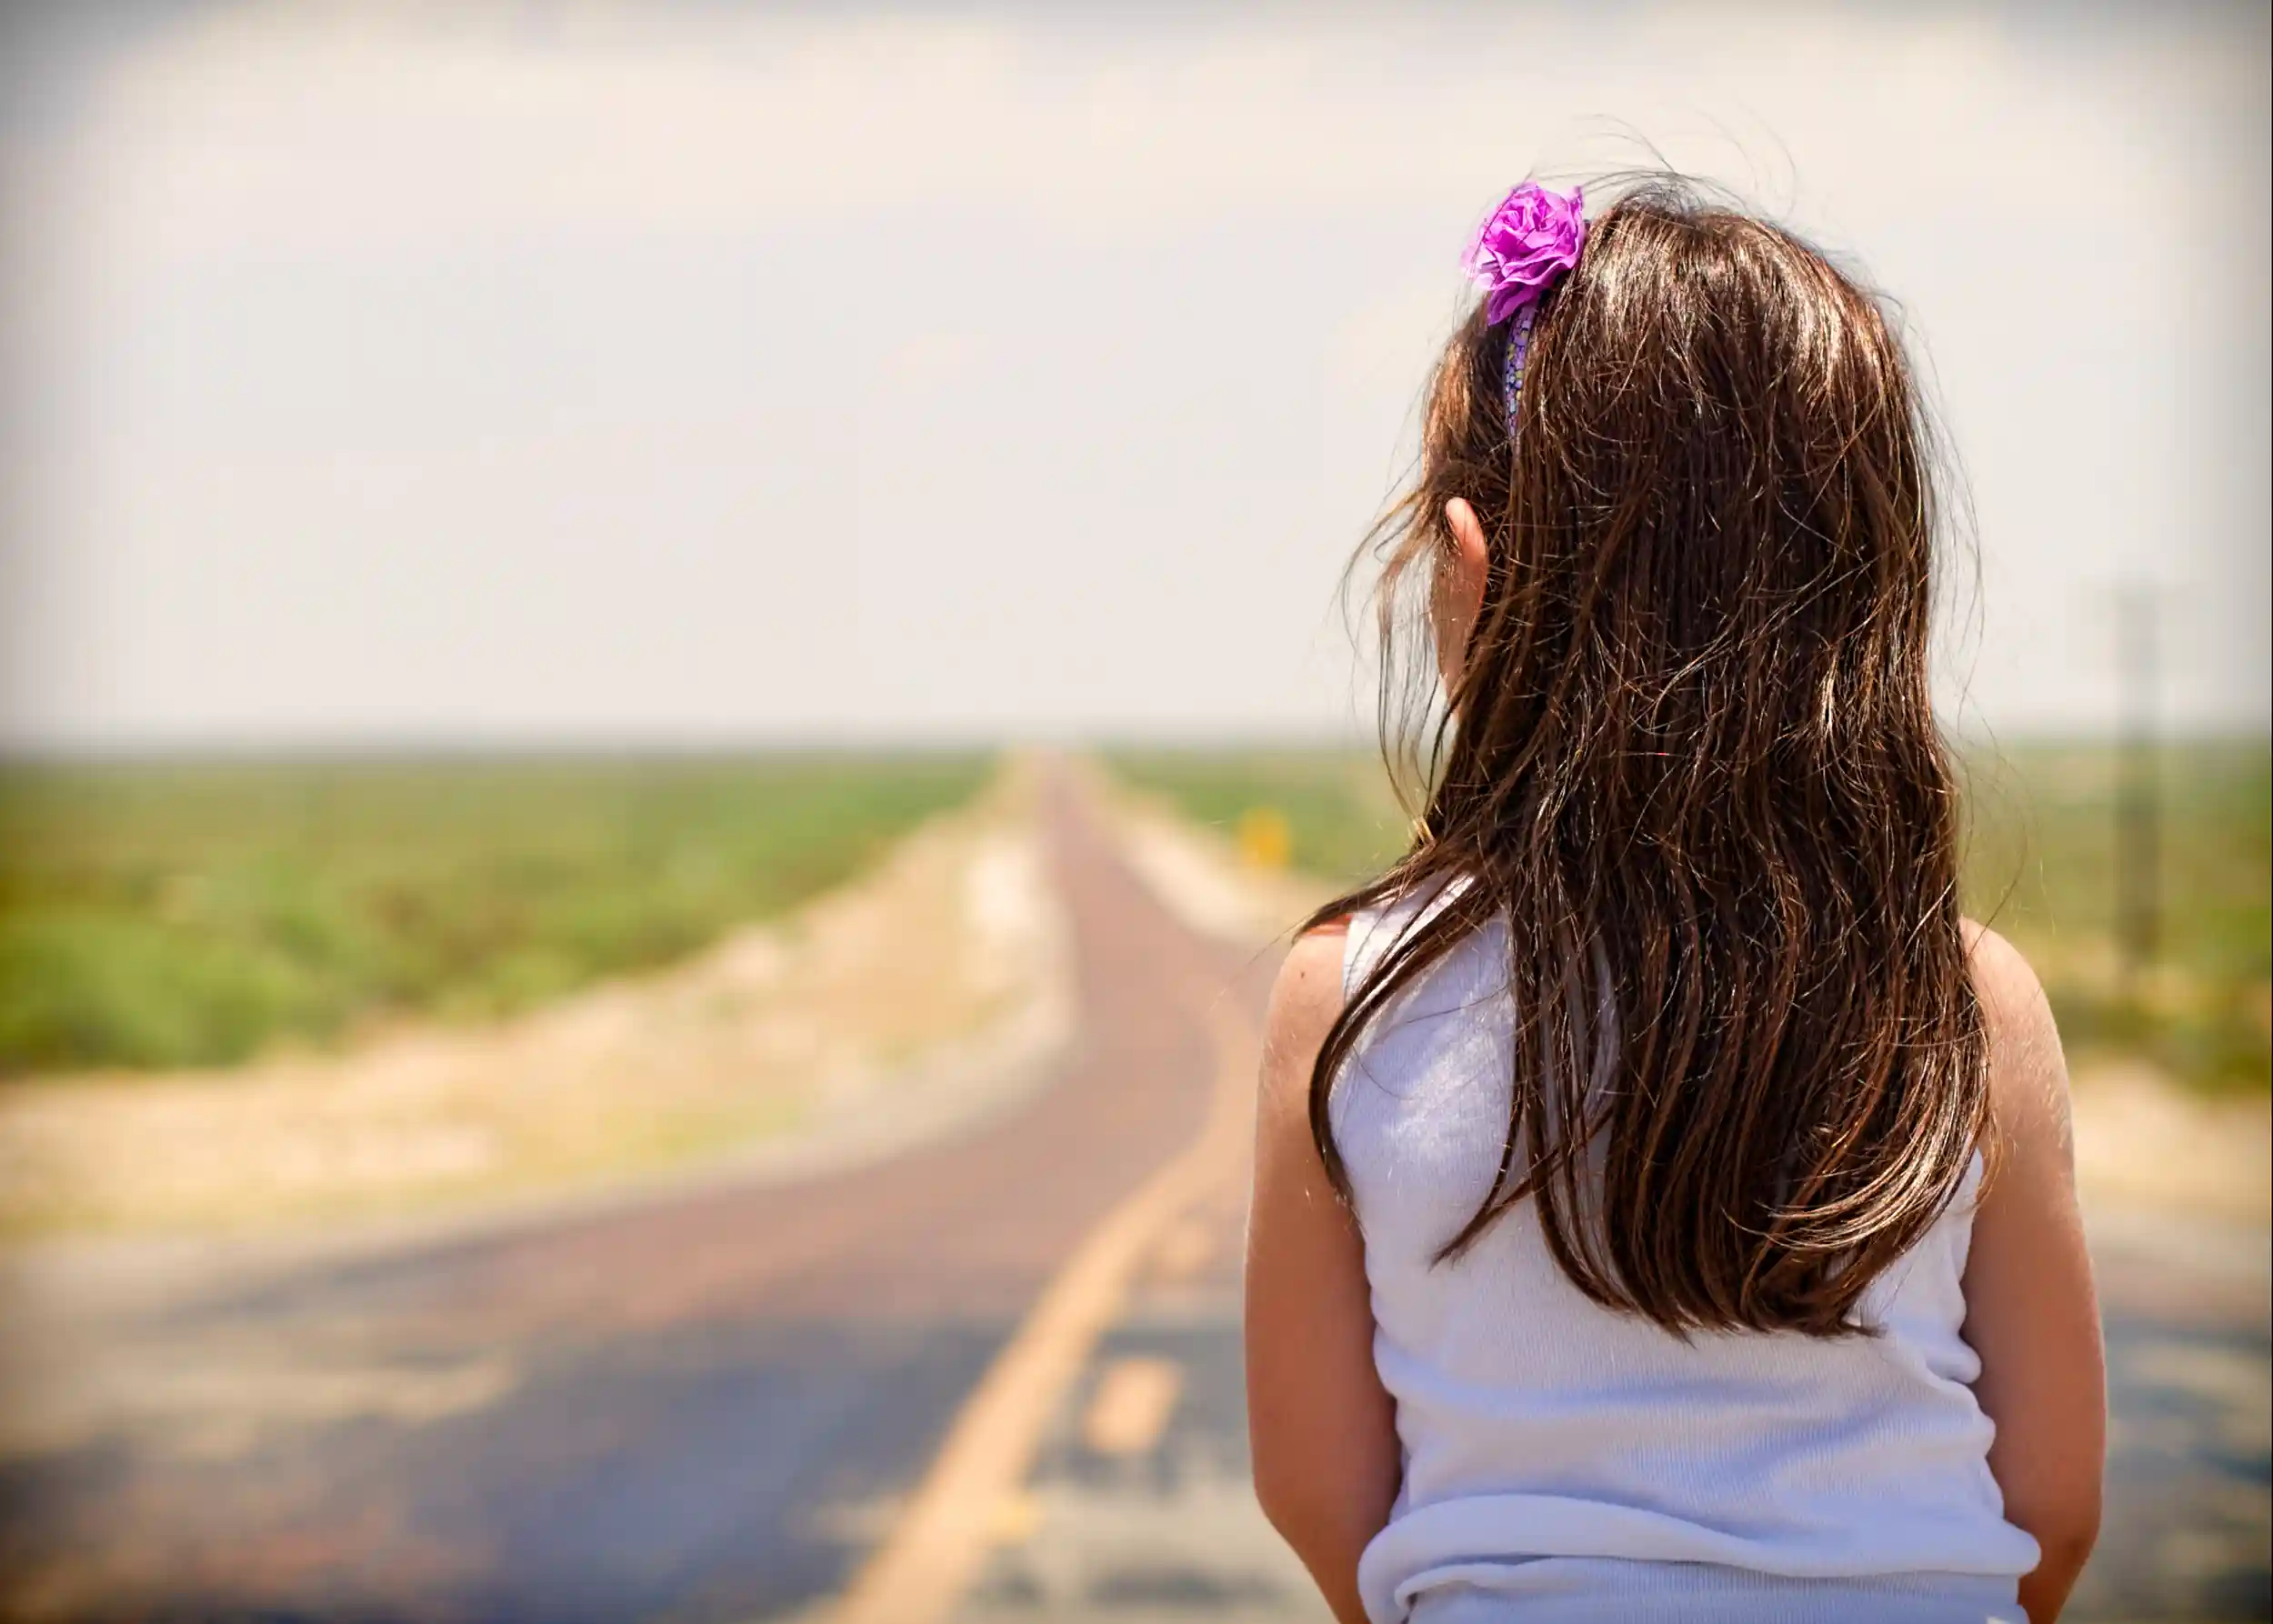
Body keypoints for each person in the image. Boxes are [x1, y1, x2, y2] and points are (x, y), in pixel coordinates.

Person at [1245, 178, 2106, 1624]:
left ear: (1469, 574)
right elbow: (2056, 1506)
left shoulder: (1349, 997)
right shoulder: (1964, 1002)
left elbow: (1322, 1496)